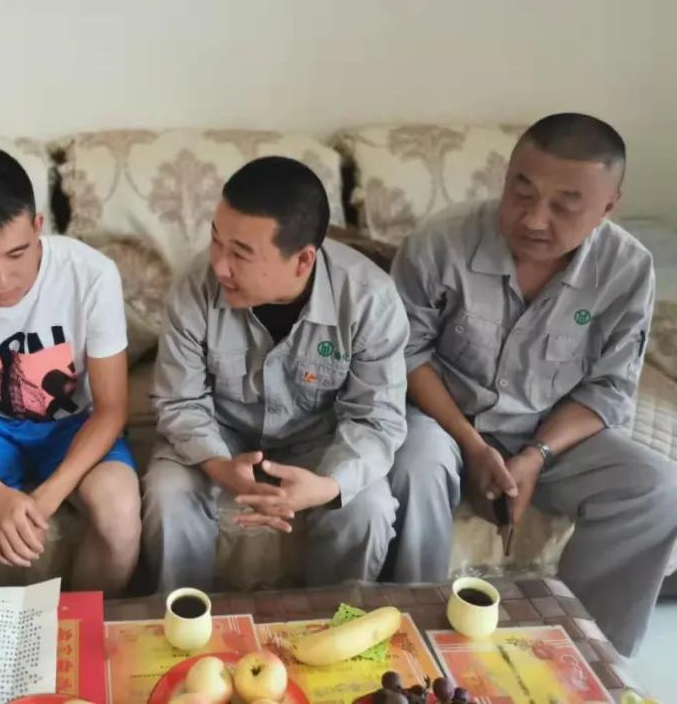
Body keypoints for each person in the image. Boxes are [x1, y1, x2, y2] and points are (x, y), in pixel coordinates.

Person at [386, 113, 677, 656]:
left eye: (564, 206)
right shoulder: (440, 242)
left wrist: (537, 455)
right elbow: (405, 354)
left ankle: (587, 655)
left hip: (554, 437)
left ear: (608, 207)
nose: (534, 219)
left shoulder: (627, 270)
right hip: (444, 423)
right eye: (521, 193)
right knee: (414, 462)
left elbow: (609, 388)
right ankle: (410, 638)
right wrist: (472, 445)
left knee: (657, 488)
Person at [142, 156, 409, 591]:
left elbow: (377, 419)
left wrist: (326, 485)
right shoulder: (194, 287)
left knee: (368, 508)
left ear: (302, 260)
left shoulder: (370, 300)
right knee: (168, 494)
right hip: (220, 435)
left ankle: (334, 624)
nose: (219, 265)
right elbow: (180, 401)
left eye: (240, 254)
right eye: (216, 240)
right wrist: (221, 467)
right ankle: (183, 621)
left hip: (318, 441)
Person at [0, 146, 139, 596]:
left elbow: (112, 408)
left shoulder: (91, 274)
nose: (1, 279)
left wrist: (48, 496)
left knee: (119, 511)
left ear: (38, 227)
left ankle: (80, 626)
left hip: (77, 422)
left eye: (17, 253)